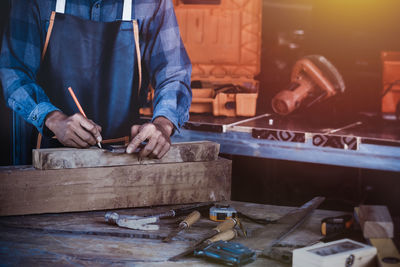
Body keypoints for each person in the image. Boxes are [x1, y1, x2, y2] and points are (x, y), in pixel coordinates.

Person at [0, 0, 192, 164]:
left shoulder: (153, 3)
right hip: (43, 158)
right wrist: (52, 118)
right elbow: (14, 71)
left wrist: (163, 123)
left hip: (124, 159)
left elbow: (173, 72)